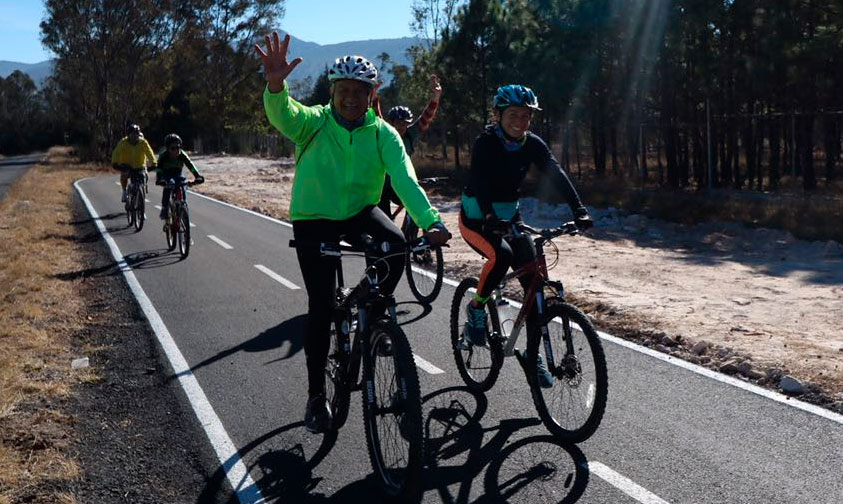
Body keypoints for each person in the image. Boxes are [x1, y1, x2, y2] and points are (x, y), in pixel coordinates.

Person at [255, 32, 451, 433]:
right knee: (322, 306)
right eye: (343, 90)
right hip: (314, 217)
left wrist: (430, 220)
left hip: (360, 212)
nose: (350, 98)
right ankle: (315, 398)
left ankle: (371, 304)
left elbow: (405, 180)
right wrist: (276, 85)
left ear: (370, 94)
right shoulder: (313, 123)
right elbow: (283, 113)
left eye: (358, 91)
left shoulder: (383, 133)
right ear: (333, 92)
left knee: (396, 245)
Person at [458, 84, 593, 386]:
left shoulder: (532, 144)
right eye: (513, 114)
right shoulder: (486, 143)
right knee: (501, 255)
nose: (519, 121)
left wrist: (579, 210)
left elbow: (555, 172)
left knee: (534, 288)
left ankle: (533, 358)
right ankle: (477, 306)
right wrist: (490, 215)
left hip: (509, 216)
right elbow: (479, 181)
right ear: (499, 115)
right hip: (477, 218)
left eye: (526, 115)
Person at [374, 75, 442, 217]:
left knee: (416, 206)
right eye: (398, 123)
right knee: (384, 219)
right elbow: (376, 115)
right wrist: (374, 97)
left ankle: (410, 234)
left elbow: (426, 117)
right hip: (382, 186)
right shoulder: (385, 132)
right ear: (391, 123)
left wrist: (435, 97)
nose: (401, 126)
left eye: (405, 123)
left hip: (402, 183)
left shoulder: (411, 134)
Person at [154, 133, 204, 219]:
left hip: (178, 174)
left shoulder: (182, 155)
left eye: (178, 148)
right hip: (167, 174)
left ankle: (183, 205)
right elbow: (159, 169)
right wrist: (159, 179)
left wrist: (197, 176)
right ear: (167, 148)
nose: (176, 151)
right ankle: (164, 208)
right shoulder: (163, 156)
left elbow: (190, 166)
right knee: (168, 185)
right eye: (173, 148)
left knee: (182, 185)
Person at [111, 124, 156, 202]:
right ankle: (124, 191)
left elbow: (150, 153)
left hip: (139, 166)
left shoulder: (143, 142)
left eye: (137, 134)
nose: (135, 136)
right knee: (124, 175)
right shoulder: (123, 142)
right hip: (126, 165)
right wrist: (115, 162)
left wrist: (153, 162)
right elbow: (116, 152)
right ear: (129, 135)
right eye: (133, 134)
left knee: (145, 175)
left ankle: (142, 190)